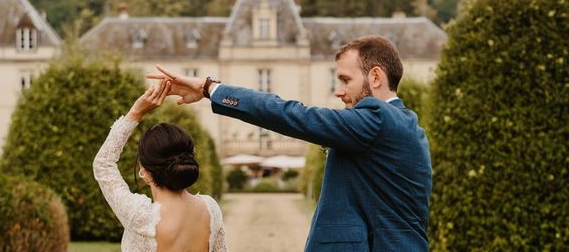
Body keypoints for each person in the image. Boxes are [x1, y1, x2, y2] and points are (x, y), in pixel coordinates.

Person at [149, 35, 431, 251]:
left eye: (346, 80)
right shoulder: (407, 125)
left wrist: (209, 88)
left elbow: (288, 114)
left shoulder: (378, 120)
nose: (338, 91)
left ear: (376, 76)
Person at [93, 79, 228, 252]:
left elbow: (103, 163)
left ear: (145, 172)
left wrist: (136, 112)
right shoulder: (211, 209)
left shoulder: (140, 216)